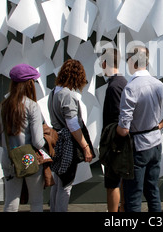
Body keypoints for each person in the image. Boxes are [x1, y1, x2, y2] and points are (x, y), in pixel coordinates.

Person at [116, 46, 163, 212]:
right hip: (155, 143)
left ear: (132, 61)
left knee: (133, 196)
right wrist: (160, 125)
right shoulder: (158, 84)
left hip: (138, 147)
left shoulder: (131, 88)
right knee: (153, 192)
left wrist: (114, 132)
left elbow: (124, 129)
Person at [0, 63, 45, 212]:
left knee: (11, 202)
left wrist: (13, 149)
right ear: (29, 84)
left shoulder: (3, 106)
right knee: (36, 202)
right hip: (30, 160)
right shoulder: (32, 106)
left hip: (9, 160)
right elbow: (38, 142)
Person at [48, 59, 93, 212]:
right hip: (68, 144)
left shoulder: (53, 92)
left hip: (57, 142)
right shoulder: (68, 96)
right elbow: (73, 125)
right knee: (66, 185)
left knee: (58, 181)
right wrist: (85, 147)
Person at [100, 48, 127, 212]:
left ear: (104, 63)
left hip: (115, 143)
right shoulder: (120, 83)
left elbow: (119, 117)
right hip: (118, 142)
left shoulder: (115, 86)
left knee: (112, 183)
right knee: (120, 181)